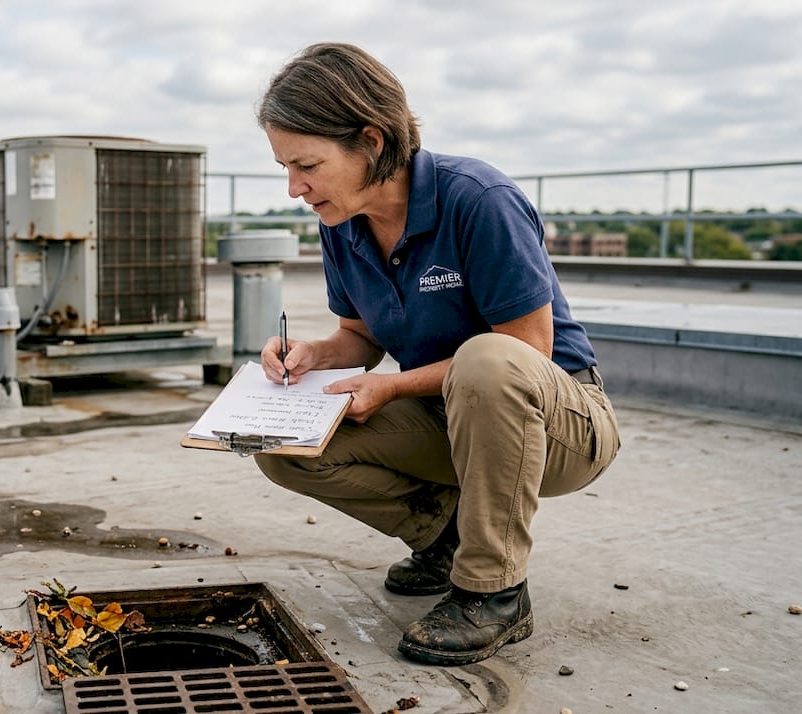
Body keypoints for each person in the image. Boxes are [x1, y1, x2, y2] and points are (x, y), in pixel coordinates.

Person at [252, 43, 620, 666]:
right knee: (283, 448)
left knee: (488, 358)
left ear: (370, 140)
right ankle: (444, 538)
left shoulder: (478, 198)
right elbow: (361, 337)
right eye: (285, 167)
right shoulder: (341, 219)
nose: (294, 188)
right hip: (448, 416)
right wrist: (315, 353)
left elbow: (526, 350)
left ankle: (494, 592)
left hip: (561, 424)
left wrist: (392, 388)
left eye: (306, 164)